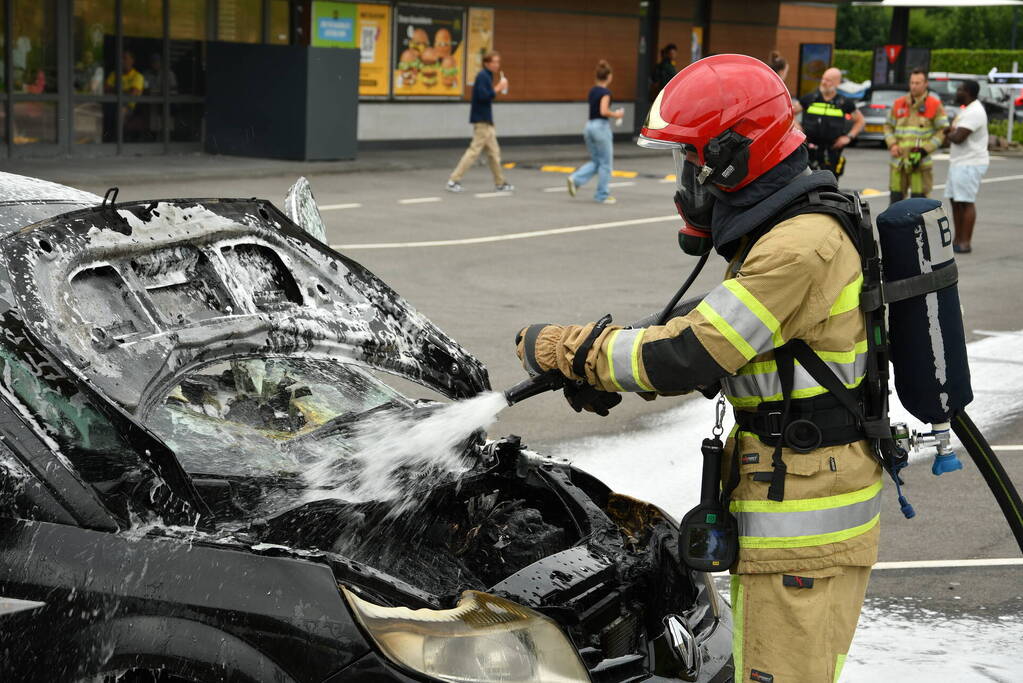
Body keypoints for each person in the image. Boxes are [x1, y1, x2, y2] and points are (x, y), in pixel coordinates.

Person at [517, 54, 879, 682]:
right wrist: (609, 361)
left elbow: (691, 351)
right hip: (791, 494)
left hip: (804, 522)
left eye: (691, 159)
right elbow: (722, 330)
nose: (685, 179)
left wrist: (574, 352)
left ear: (735, 157)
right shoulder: (790, 229)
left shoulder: (800, 245)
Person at [446, 51, 513, 193]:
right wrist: (499, 88)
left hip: (486, 121)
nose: (497, 65)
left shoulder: (487, 76)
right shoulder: (483, 76)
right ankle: (453, 180)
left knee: (494, 153)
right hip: (482, 121)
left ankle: (500, 183)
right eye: (494, 62)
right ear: (487, 63)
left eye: (498, 62)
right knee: (474, 152)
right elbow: (484, 96)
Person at [884, 68, 948, 203]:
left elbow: (943, 130)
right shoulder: (899, 103)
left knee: (919, 205)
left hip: (920, 162)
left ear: (926, 84)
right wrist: (892, 144)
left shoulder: (934, 104)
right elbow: (888, 126)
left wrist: (926, 150)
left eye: (917, 83)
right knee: (895, 204)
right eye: (912, 82)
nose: (913, 86)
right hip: (899, 162)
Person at [566, 60, 624, 205]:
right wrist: (616, 115)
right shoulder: (606, 92)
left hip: (589, 126)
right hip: (601, 128)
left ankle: (575, 179)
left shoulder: (593, 90)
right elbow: (603, 111)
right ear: (609, 76)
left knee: (596, 161)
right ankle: (602, 195)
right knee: (606, 164)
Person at [944, 80, 989, 254]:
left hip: (970, 163)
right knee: (955, 201)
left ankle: (965, 242)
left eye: (960, 89)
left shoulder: (975, 111)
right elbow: (953, 132)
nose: (957, 91)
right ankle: (958, 238)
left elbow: (958, 137)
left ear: (968, 92)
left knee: (965, 202)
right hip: (960, 162)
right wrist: (951, 132)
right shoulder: (967, 109)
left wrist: (949, 132)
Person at [798, 67, 865, 179]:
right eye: (823, 79)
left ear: (837, 83)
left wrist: (848, 137)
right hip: (810, 150)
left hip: (831, 152)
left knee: (829, 185)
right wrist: (798, 129)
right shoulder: (810, 98)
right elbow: (789, 114)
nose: (824, 82)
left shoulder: (844, 102)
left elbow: (860, 121)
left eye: (829, 80)